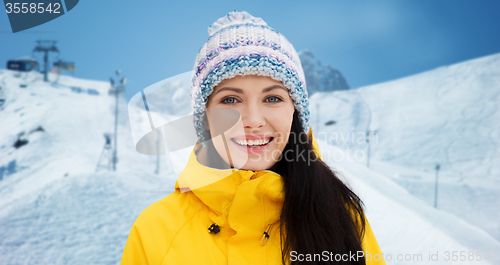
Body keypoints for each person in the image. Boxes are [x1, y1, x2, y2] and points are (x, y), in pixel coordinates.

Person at [121, 10, 386, 265]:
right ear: (204, 116)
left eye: (273, 98)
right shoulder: (155, 231)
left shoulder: (342, 217)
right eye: (230, 100)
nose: (253, 120)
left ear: (295, 111)